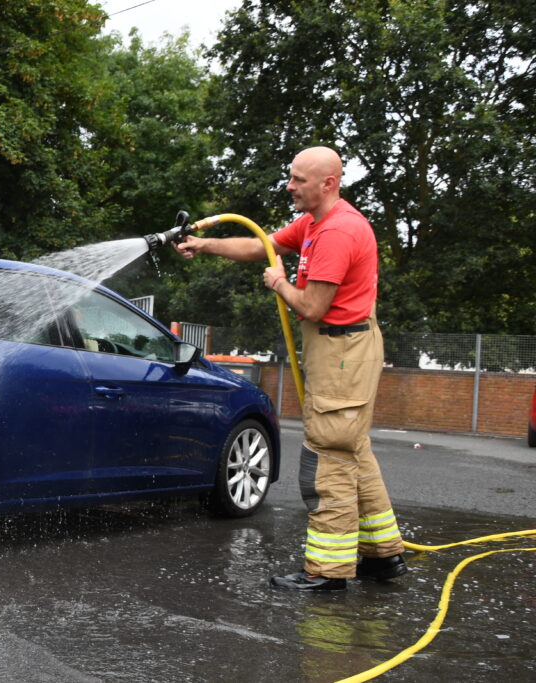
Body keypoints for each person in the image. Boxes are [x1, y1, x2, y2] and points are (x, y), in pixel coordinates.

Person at [174, 146, 407, 591]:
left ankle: (328, 572)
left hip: (341, 350)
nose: (289, 186)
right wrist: (203, 244)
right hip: (342, 347)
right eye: (291, 177)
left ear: (328, 184)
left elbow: (314, 306)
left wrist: (279, 282)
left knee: (329, 456)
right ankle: (384, 556)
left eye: (299, 179)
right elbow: (260, 245)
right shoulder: (313, 223)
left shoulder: (338, 231)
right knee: (353, 451)